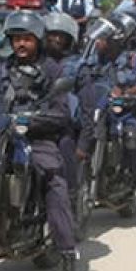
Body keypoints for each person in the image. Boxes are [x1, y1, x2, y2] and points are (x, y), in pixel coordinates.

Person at [0, 10, 85, 271]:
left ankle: (68, 261)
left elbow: (62, 113)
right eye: (16, 38)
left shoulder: (53, 70)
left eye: (27, 38)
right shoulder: (1, 70)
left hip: (38, 137)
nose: (21, 44)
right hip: (3, 136)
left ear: (38, 39)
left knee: (55, 185)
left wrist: (34, 121)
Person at [81, 11, 136, 205]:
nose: (102, 40)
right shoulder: (96, 55)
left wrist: (130, 93)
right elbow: (82, 72)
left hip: (127, 108)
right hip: (98, 106)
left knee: (131, 132)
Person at [43, 12, 83, 201]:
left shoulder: (76, 65)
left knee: (65, 145)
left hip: (62, 121)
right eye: (52, 34)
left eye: (62, 36)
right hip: (30, 119)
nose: (56, 40)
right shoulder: (33, 61)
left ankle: (70, 196)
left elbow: (85, 101)